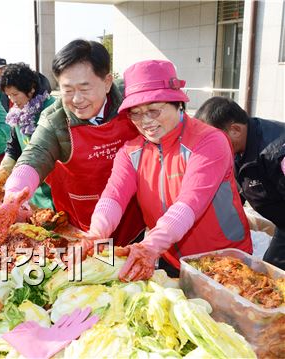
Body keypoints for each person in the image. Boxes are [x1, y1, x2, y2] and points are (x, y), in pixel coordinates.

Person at [85, 60, 252, 281]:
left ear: (177, 104)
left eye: (153, 110)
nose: (145, 121)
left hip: (223, 263)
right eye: (135, 113)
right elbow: (114, 196)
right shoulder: (131, 151)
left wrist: (148, 246)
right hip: (171, 258)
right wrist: (96, 233)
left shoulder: (209, 141)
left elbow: (189, 204)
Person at [0, 40, 144, 246]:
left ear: (106, 82)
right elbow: (35, 153)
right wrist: (13, 197)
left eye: (84, 89)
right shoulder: (55, 119)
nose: (77, 99)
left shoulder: (132, 105)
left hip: (130, 218)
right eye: (67, 90)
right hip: (81, 224)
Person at [195, 97, 284, 270]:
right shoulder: (236, 148)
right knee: (269, 275)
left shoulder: (277, 151)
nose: (210, 145)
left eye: (213, 138)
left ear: (235, 130)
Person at [0, 63, 56, 209]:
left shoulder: (52, 109)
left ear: (31, 89)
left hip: (56, 187)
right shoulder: (18, 112)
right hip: (33, 188)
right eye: (8, 95)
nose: (12, 100)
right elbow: (13, 147)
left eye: (15, 94)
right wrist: (3, 173)